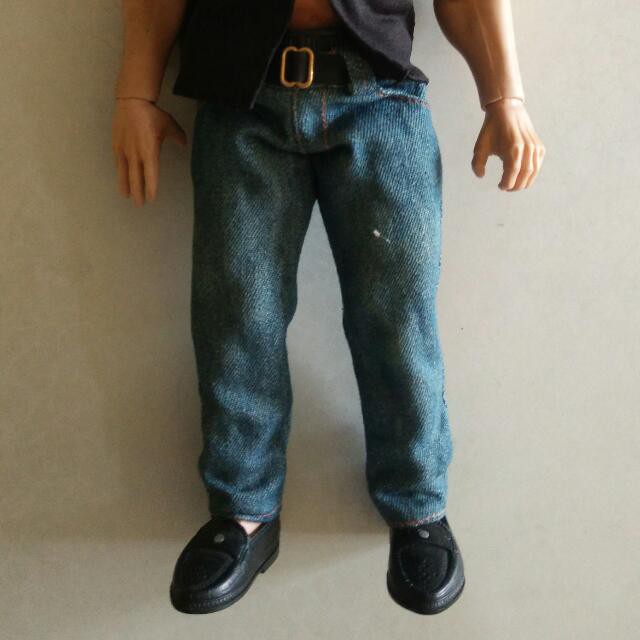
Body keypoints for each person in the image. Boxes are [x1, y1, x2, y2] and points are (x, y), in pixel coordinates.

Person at [112, 0, 545, 616]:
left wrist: (504, 95)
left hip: (380, 96)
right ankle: (243, 511)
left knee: (397, 312)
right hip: (241, 97)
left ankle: (418, 504)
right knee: (236, 309)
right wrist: (135, 91)